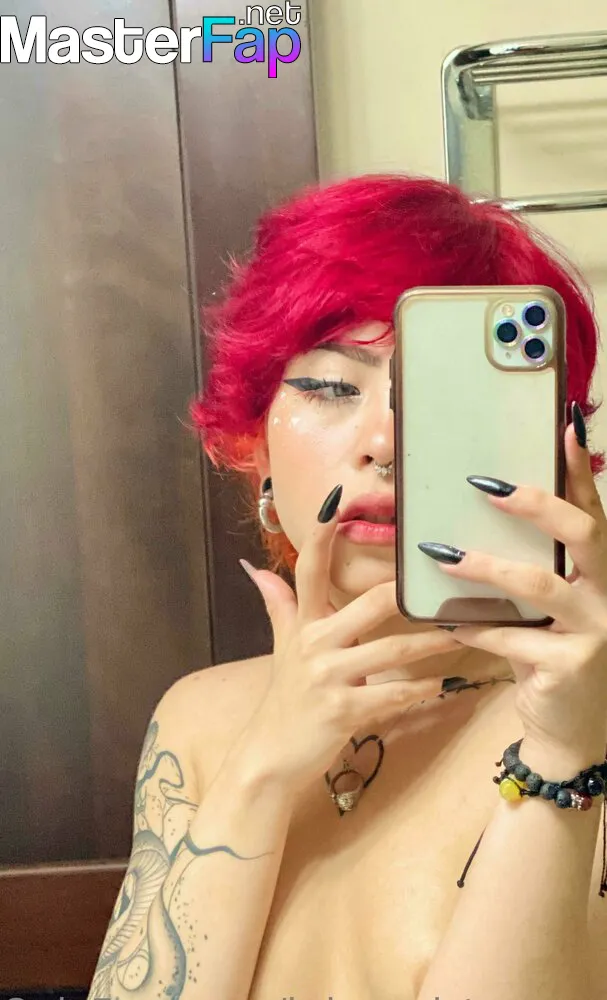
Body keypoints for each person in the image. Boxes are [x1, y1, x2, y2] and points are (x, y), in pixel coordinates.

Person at [88, 174, 607, 1000]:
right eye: (330, 387)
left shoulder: (585, 729)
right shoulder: (199, 718)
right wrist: (263, 768)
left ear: (551, 447)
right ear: (254, 439)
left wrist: (560, 755)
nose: (386, 442)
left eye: (449, 400)